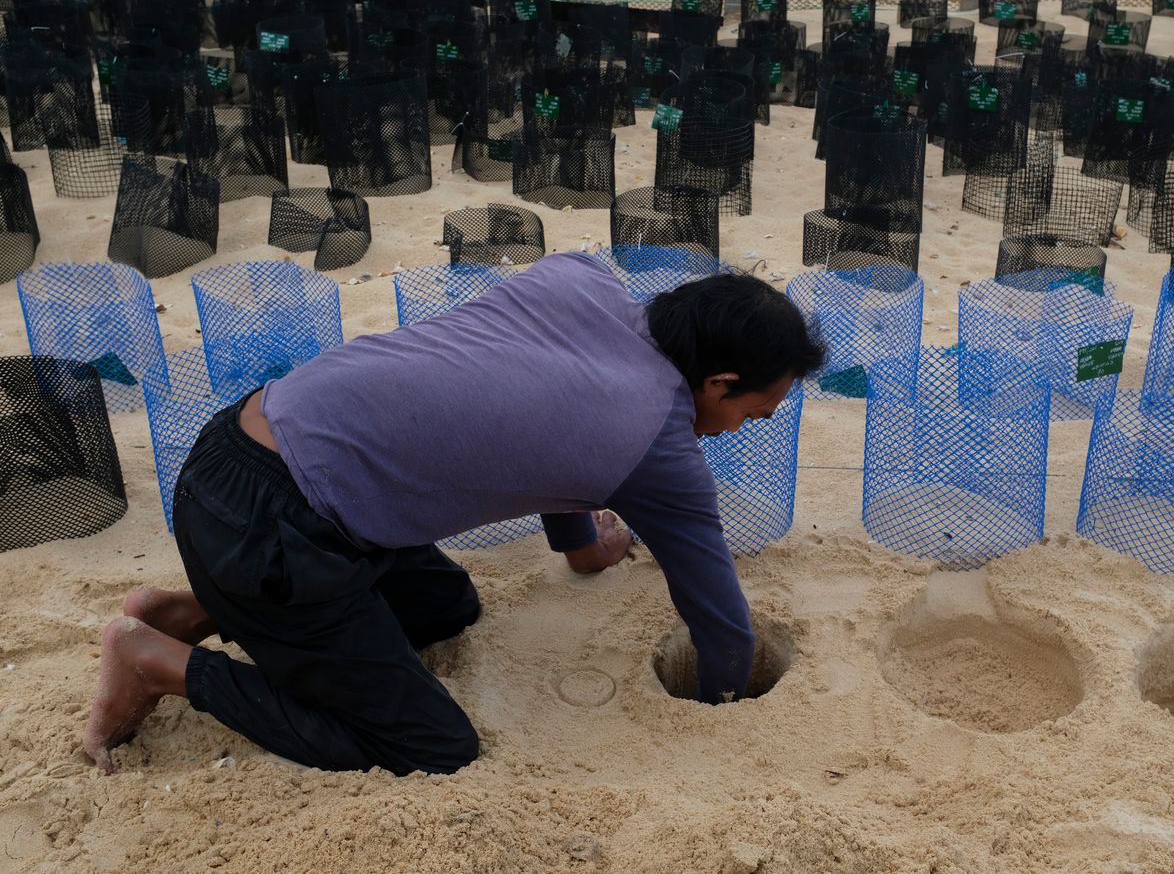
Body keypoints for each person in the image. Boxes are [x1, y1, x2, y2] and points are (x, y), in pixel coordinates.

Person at [83, 252, 825, 775]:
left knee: (449, 606)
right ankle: (157, 662)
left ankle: (190, 609)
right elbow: (718, 620)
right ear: (720, 382)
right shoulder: (659, 450)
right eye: (753, 414)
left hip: (234, 448)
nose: (740, 430)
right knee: (432, 748)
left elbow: (546, 421)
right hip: (272, 532)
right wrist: (729, 699)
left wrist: (583, 547)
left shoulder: (581, 279)